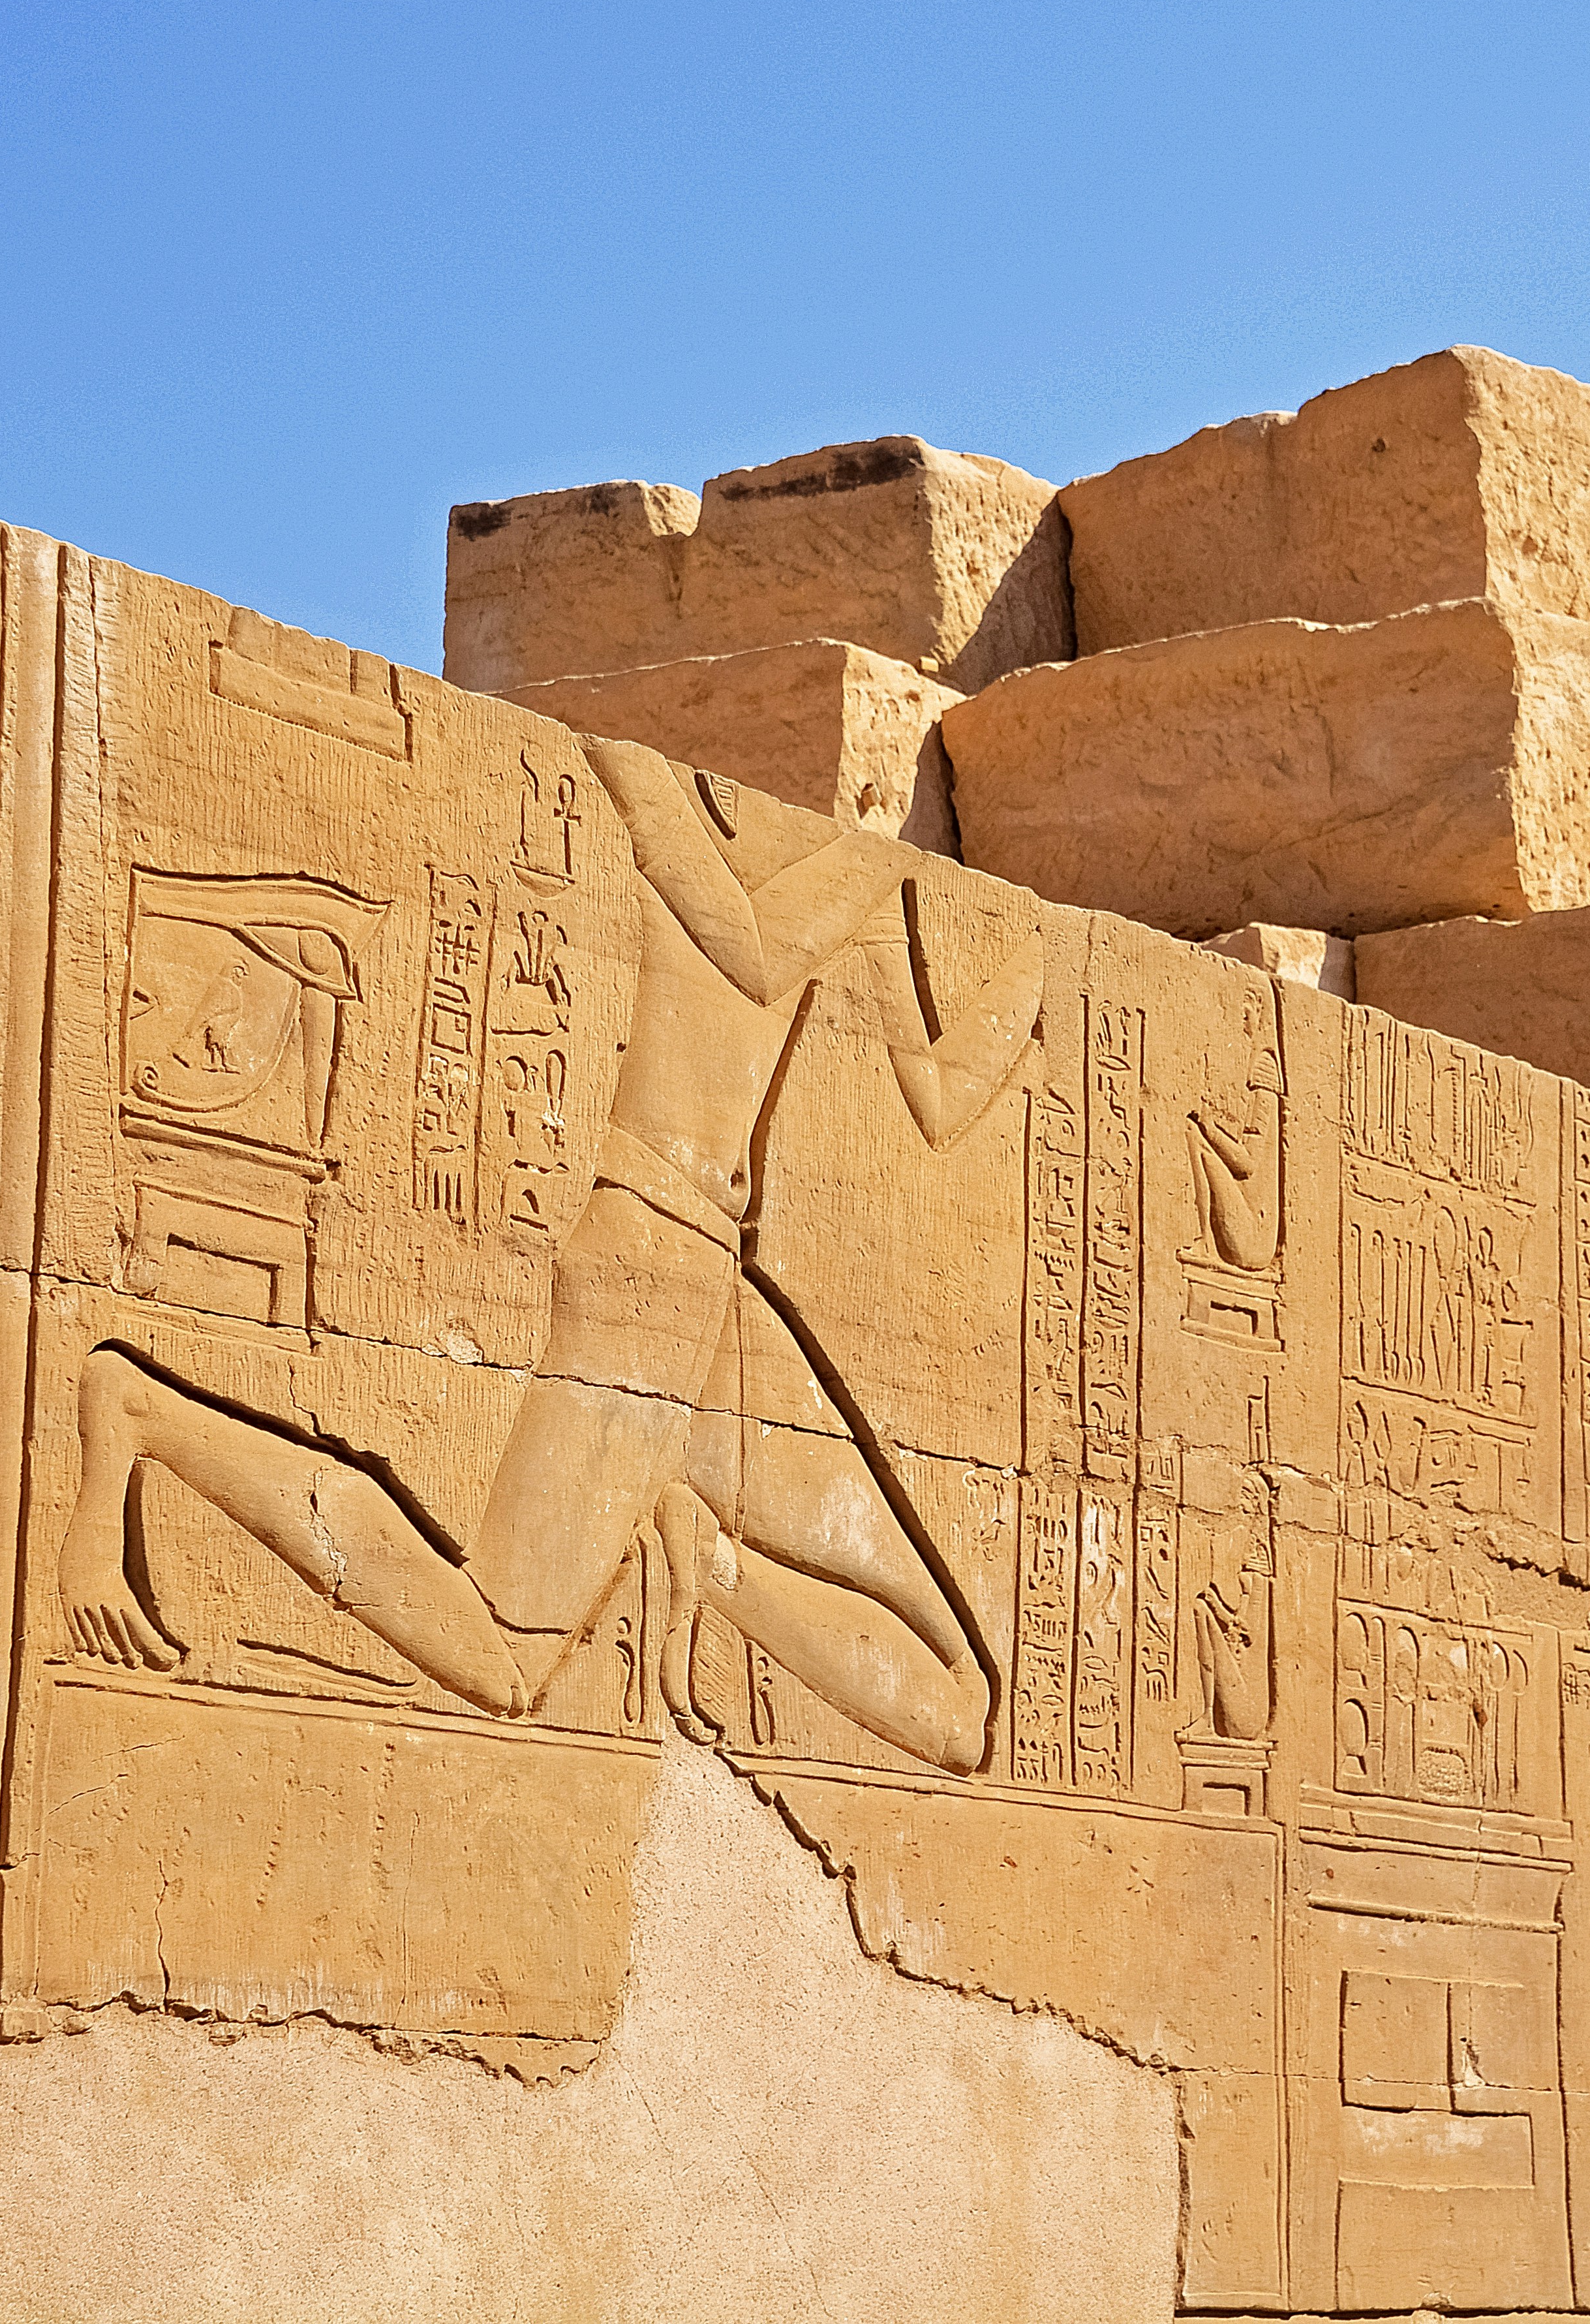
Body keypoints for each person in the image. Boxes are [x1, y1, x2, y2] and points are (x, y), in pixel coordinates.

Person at [59, 743, 1041, 1773]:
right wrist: (860, 862)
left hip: (713, 1275)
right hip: (644, 1265)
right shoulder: (666, 791)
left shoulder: (848, 878)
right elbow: (747, 948)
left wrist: (1027, 987)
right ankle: (141, 1413)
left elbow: (935, 1092)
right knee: (505, 1654)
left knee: (959, 1707)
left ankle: (699, 1554)